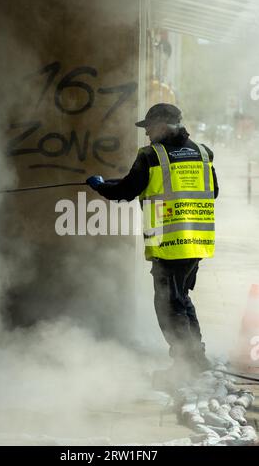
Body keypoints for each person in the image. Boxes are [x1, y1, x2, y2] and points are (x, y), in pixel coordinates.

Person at [86, 103, 219, 373]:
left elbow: (126, 190)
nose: (147, 134)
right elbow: (213, 192)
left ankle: (186, 364)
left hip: (169, 244)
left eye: (149, 128)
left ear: (162, 125)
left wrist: (101, 186)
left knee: (169, 306)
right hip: (196, 242)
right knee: (181, 299)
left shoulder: (151, 155)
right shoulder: (203, 153)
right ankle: (196, 358)